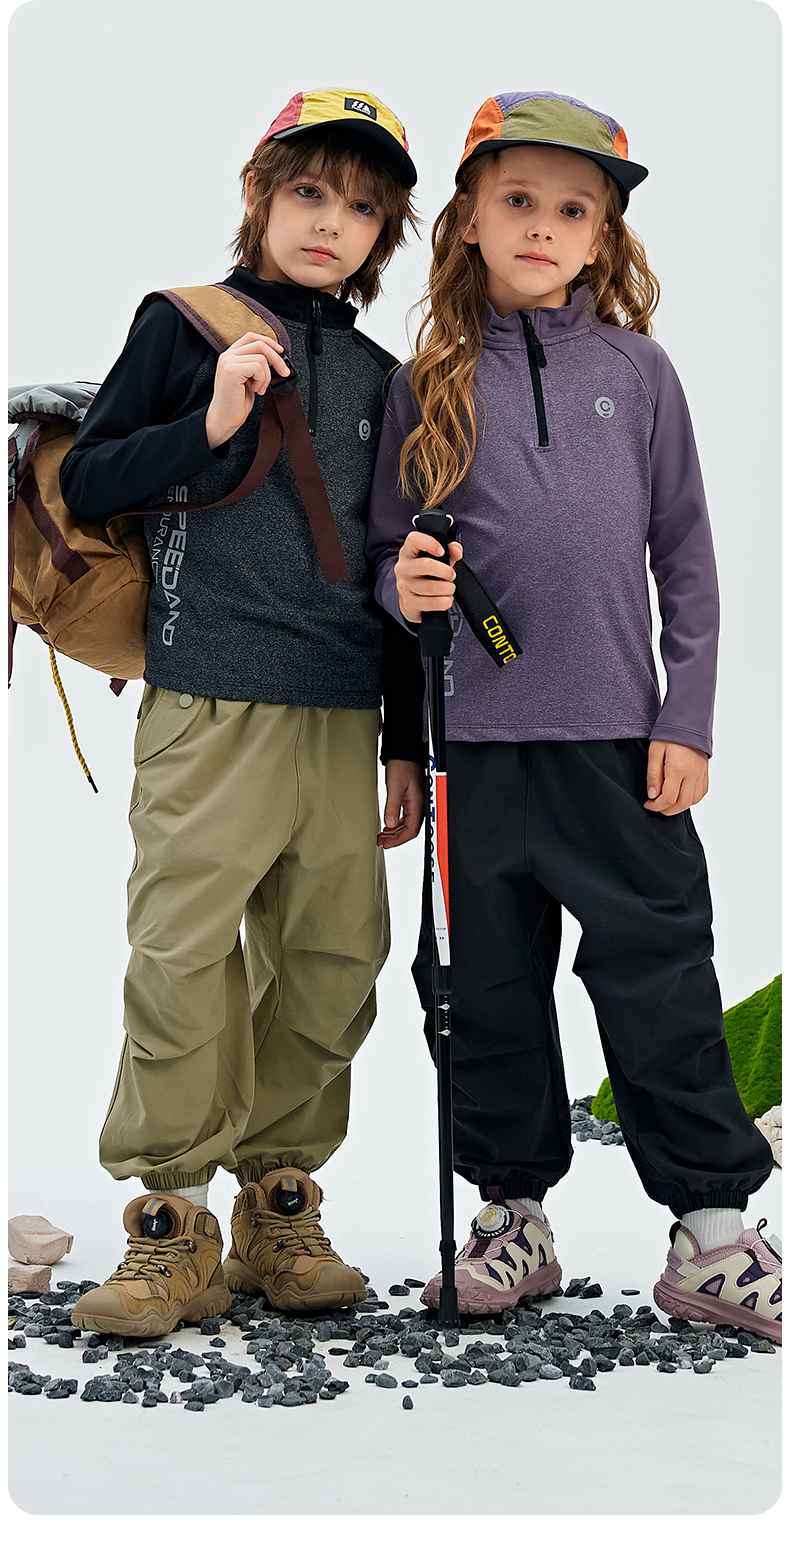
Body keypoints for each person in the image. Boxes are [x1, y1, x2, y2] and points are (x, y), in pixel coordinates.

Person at [366, 91, 781, 1339]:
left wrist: (685, 718)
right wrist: (403, 618)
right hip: (470, 755)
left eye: (570, 209)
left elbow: (686, 557)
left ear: (602, 236)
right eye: (517, 202)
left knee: (659, 978)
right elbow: (389, 566)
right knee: (479, 989)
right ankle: (512, 1216)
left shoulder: (639, 374)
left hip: (615, 744)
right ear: (469, 220)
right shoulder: (426, 383)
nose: (541, 226)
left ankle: (711, 1231)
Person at [59, 88, 426, 1335]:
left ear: (383, 236)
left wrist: (406, 746)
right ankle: (169, 1224)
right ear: (261, 196)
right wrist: (210, 417)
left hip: (341, 713)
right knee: (182, 958)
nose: (331, 223)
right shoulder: (182, 325)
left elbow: (395, 568)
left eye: (361, 209)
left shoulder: (383, 377)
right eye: (309, 192)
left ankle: (279, 1204)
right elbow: (94, 478)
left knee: (332, 963)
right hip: (207, 702)